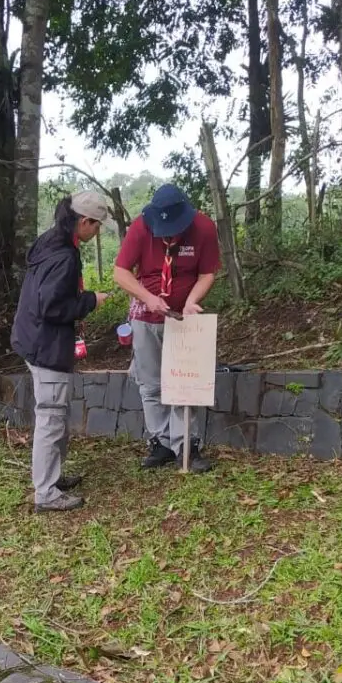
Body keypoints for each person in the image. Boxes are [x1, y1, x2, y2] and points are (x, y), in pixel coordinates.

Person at [11, 192, 109, 512]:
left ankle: (52, 477)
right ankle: (46, 493)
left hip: (34, 339)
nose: (97, 232)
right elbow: (52, 306)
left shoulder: (49, 242)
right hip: (47, 346)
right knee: (51, 417)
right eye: (96, 226)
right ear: (84, 221)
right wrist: (90, 301)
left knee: (56, 415)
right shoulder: (65, 256)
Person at [114, 184, 220, 472]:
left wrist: (191, 302)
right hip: (146, 318)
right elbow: (120, 272)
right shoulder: (140, 227)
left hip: (183, 318)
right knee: (151, 384)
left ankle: (186, 444)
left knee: (184, 381)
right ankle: (160, 443)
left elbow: (207, 273)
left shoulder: (205, 228)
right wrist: (148, 298)